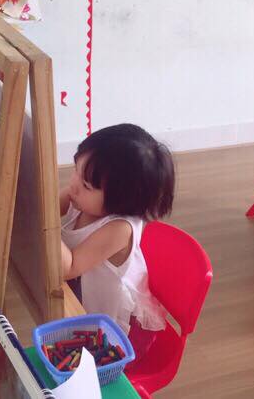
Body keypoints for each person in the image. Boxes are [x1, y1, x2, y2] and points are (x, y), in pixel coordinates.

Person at [59, 123, 174, 359]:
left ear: (121, 202)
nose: (73, 185)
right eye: (76, 170)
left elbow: (68, 267)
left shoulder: (119, 229)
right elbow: (44, 206)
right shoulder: (79, 198)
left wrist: (39, 218)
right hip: (86, 299)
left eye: (86, 185)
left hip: (118, 334)